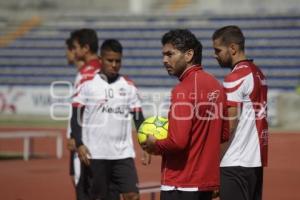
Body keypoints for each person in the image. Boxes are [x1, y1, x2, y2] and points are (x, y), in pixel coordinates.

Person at [142, 29, 228, 200]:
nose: (164, 60)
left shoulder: (183, 90)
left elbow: (178, 142)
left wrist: (154, 144)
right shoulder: (217, 86)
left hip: (180, 184)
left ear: (189, 55)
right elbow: (224, 134)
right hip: (206, 184)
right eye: (163, 55)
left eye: (169, 54)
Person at [71, 39, 149, 200]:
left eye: (118, 61)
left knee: (132, 195)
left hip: (123, 154)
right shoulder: (88, 84)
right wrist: (79, 143)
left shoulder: (129, 86)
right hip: (95, 154)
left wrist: (145, 146)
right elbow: (75, 116)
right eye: (110, 60)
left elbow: (139, 118)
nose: (114, 64)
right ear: (100, 60)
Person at [212, 25, 268, 200]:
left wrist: (213, 163)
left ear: (233, 48)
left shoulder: (235, 77)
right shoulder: (258, 72)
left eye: (217, 50)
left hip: (235, 162)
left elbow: (230, 124)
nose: (215, 55)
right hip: (254, 161)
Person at [69, 28, 101, 200]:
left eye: (75, 47)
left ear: (85, 48)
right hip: (97, 139)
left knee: (84, 188)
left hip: (86, 140)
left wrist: (74, 135)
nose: (73, 52)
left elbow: (78, 109)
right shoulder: (104, 68)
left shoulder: (86, 74)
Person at [65, 37, 84, 188]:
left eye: (68, 50)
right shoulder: (80, 74)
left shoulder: (87, 76)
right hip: (77, 136)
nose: (66, 54)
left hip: (82, 139)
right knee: (75, 179)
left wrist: (74, 136)